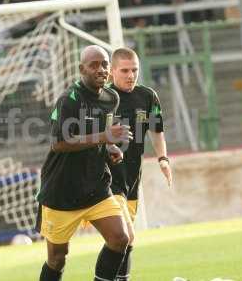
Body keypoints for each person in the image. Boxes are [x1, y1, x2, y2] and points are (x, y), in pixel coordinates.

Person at [36, 45, 133, 281]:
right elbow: (59, 143)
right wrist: (104, 138)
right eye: (94, 65)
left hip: (96, 186)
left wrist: (109, 147)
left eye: (104, 64)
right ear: (81, 69)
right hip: (61, 191)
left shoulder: (112, 98)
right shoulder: (69, 100)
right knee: (58, 258)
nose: (101, 69)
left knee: (121, 238)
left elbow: (98, 133)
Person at [109, 47, 173, 280]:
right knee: (126, 236)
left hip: (132, 180)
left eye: (134, 70)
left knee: (122, 241)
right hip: (106, 180)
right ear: (112, 71)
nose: (130, 75)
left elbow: (157, 131)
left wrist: (163, 159)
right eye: (124, 70)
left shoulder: (147, 96)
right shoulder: (102, 98)